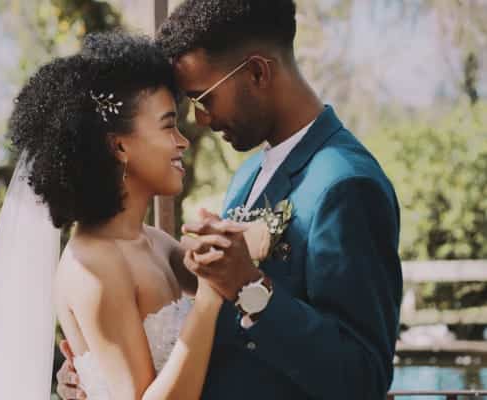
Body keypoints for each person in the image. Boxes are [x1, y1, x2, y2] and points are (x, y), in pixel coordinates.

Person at [56, 1, 402, 399]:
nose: (200, 120)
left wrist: (251, 287)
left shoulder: (345, 184)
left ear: (257, 72)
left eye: (204, 99)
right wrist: (96, 371)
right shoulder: (247, 176)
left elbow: (363, 378)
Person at [0, 32, 260, 400]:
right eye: (167, 125)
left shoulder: (154, 241)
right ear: (119, 146)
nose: (183, 141)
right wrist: (207, 301)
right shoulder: (92, 266)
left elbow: (238, 276)